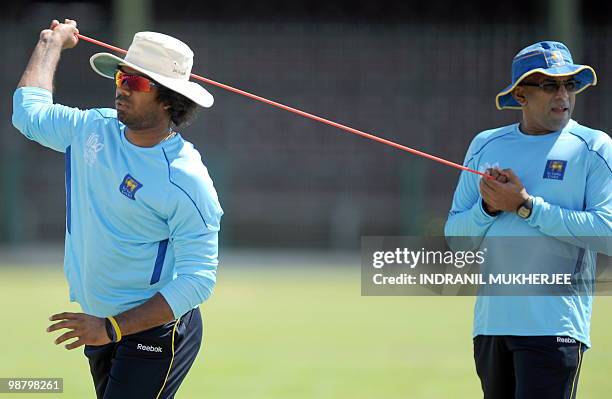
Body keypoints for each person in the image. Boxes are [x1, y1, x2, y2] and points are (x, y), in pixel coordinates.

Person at [12, 19, 223, 398]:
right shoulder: (90, 129)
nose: (122, 89)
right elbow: (28, 115)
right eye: (121, 78)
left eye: (136, 83)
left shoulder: (185, 178)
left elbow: (199, 278)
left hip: (154, 330)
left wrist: (112, 328)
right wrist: (50, 43)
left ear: (169, 100)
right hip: (99, 324)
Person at [445, 41, 611, 399]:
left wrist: (525, 206)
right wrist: (488, 208)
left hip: (555, 328)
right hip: (491, 328)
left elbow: (608, 233)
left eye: (570, 84)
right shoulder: (485, 144)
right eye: (550, 85)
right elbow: (456, 239)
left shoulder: (594, 147)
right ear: (520, 95)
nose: (563, 94)